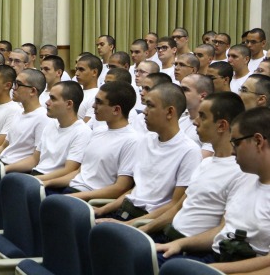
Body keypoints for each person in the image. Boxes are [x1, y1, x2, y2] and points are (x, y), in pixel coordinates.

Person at [156, 107, 270, 274]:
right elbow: (222, 232)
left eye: (236, 143)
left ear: (258, 141)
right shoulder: (245, 180)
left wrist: (212, 270)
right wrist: (180, 244)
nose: (232, 151)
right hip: (215, 259)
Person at [139, 92, 246, 242]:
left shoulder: (240, 172)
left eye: (202, 116)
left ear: (221, 125)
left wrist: (179, 245)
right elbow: (177, 208)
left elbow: (222, 230)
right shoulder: (206, 162)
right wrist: (139, 228)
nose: (195, 122)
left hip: (189, 249)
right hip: (167, 236)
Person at [94, 83, 201, 222]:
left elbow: (174, 205)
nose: (144, 111)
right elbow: (136, 191)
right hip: (126, 210)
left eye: (150, 106)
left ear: (169, 112)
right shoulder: (146, 140)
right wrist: (102, 210)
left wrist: (128, 224)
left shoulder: (189, 151)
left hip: (148, 220)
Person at [5, 81, 91, 187]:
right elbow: (34, 159)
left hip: (53, 183)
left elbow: (68, 170)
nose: (47, 102)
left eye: (53, 99)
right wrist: (5, 169)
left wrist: (34, 180)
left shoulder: (82, 132)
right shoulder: (51, 124)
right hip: (37, 174)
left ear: (69, 104)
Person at [64, 81, 141, 200]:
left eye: (99, 102)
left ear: (116, 110)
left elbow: (120, 188)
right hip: (72, 190)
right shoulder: (98, 131)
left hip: (91, 198)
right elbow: (80, 173)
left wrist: (74, 196)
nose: (94, 106)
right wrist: (46, 182)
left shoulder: (132, 140)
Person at [0, 69, 52, 165]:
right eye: (14, 83)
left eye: (18, 84)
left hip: (16, 169)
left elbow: (35, 159)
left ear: (33, 91)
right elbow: (4, 146)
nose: (13, 88)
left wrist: (4, 169)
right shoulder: (19, 112)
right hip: (2, 160)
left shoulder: (43, 118)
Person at [75, 54, 101, 123]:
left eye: (81, 69)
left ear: (94, 72)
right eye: (76, 69)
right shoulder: (76, 91)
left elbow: (87, 123)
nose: (76, 73)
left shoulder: (97, 95)